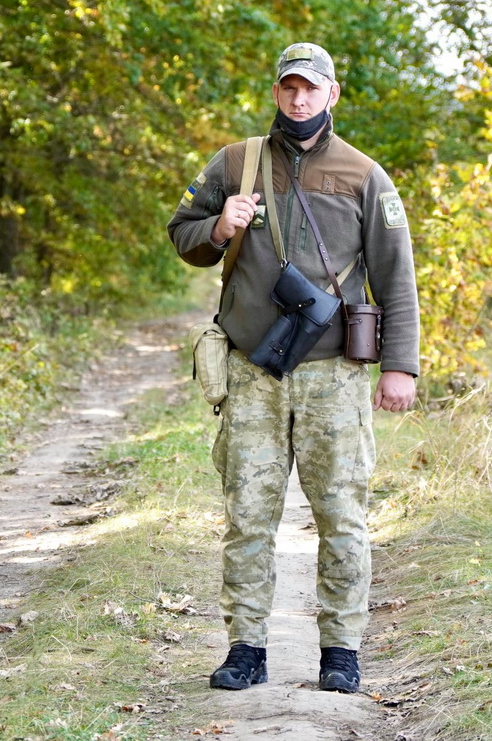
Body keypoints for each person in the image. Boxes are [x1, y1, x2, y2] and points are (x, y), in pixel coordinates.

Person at [167, 44, 419, 694]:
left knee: (342, 516)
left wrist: (401, 368)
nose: (299, 99)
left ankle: (341, 650)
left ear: (332, 94)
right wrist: (219, 227)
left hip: (335, 374)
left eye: (311, 88)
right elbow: (181, 234)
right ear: (276, 93)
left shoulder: (365, 176)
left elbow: (397, 281)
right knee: (248, 516)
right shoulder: (235, 163)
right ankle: (246, 647)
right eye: (288, 88)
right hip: (253, 371)